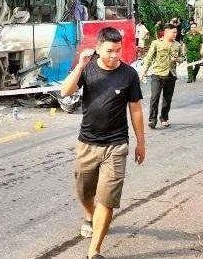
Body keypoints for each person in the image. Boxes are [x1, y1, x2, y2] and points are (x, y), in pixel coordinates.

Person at [60, 27, 145, 259]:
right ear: (98, 49)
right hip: (87, 143)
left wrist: (141, 142)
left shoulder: (129, 75)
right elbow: (65, 92)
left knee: (107, 200)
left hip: (116, 145)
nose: (115, 55)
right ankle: (90, 214)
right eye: (109, 51)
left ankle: (94, 250)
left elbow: (135, 109)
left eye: (118, 50)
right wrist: (79, 65)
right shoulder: (87, 70)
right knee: (84, 192)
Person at [140, 23, 183, 129]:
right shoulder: (156, 43)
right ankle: (152, 119)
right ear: (166, 32)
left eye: (176, 32)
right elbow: (149, 58)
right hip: (157, 75)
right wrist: (143, 72)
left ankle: (164, 118)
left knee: (167, 99)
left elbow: (182, 58)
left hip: (171, 75)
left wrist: (177, 59)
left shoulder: (177, 45)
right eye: (173, 32)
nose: (175, 34)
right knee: (154, 97)